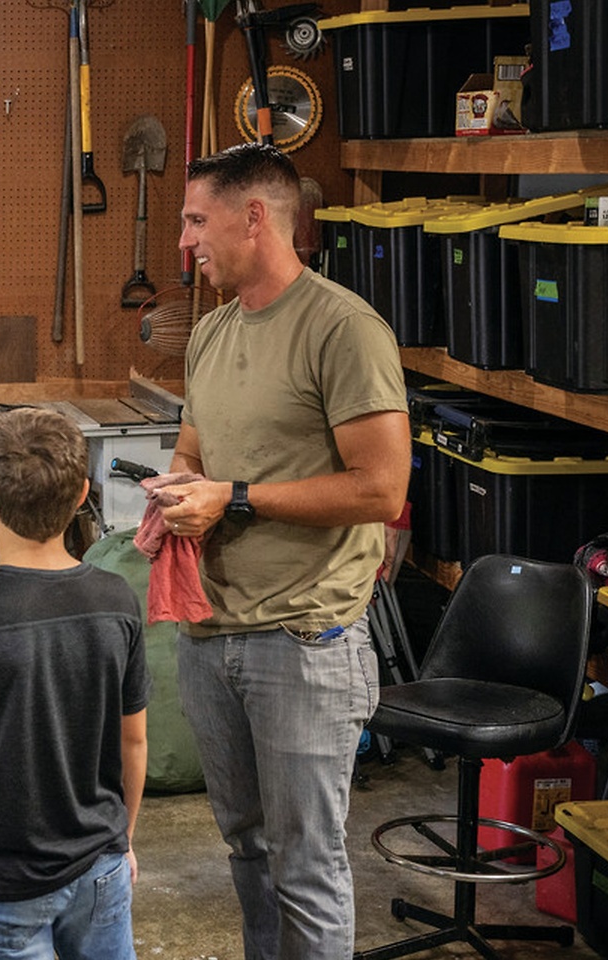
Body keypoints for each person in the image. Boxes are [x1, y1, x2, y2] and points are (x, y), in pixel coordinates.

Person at [152, 141, 411, 959]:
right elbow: (193, 449)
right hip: (213, 632)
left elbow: (381, 490)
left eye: (196, 220)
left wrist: (231, 496)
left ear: (254, 218)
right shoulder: (211, 332)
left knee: (305, 867)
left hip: (302, 642)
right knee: (249, 853)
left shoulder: (342, 329)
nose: (185, 242)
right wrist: (180, 486)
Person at [0, 407, 149, 960]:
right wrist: (124, 841)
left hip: (1, 888)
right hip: (100, 869)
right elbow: (132, 742)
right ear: (82, 493)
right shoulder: (117, 601)